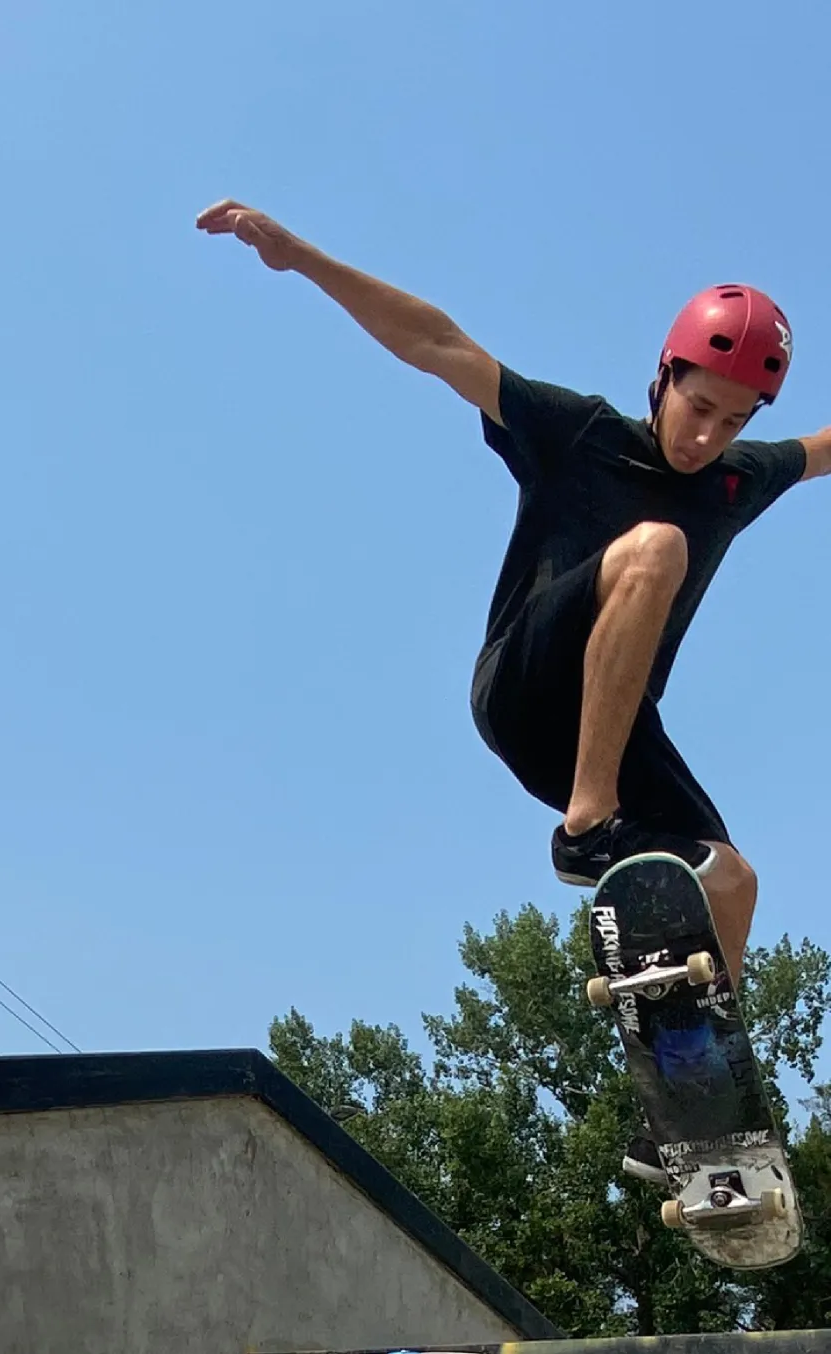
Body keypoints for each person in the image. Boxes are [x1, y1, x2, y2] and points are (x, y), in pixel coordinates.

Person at [197, 199, 831, 1184]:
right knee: (653, 548)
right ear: (662, 377)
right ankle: (585, 827)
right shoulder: (575, 434)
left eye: (728, 421)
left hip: (616, 732)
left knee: (731, 883)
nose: (704, 437)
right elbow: (436, 342)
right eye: (693, 406)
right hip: (525, 689)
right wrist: (299, 259)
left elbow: (825, 447)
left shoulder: (738, 480)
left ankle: (677, 1111)